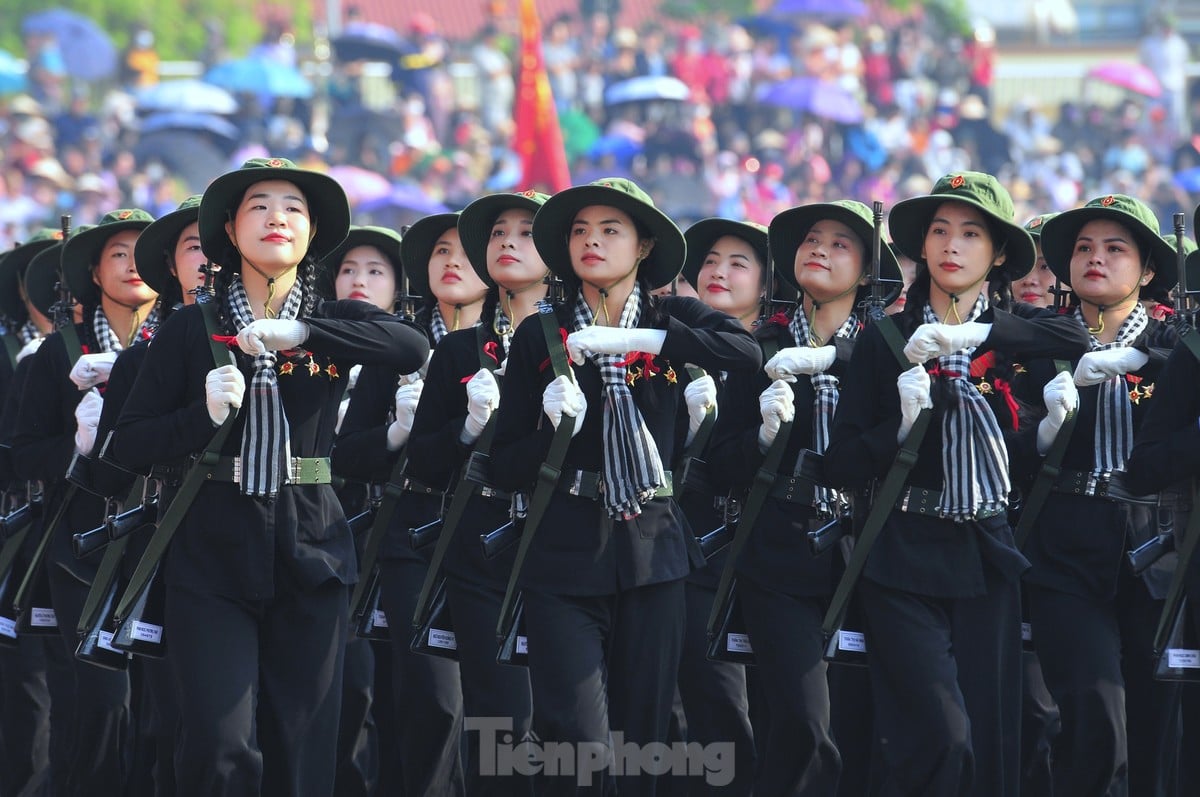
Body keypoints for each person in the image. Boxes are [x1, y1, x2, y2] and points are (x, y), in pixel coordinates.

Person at [109, 157, 430, 796]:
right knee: (218, 743)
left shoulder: (336, 322)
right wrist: (201, 415)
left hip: (311, 545)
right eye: (258, 206)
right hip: (209, 551)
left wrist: (306, 331)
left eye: (293, 207)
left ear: (312, 232)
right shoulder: (188, 326)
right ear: (230, 229)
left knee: (304, 744)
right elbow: (129, 444)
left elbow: (410, 347)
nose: (276, 217)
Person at [487, 177, 760, 794]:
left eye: (611, 230)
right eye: (580, 230)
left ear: (642, 247)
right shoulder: (542, 331)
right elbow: (503, 464)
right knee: (573, 736)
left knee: (644, 737)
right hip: (562, 547)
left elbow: (744, 351)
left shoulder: (673, 317)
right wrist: (549, 430)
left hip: (652, 551)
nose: (592, 241)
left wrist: (644, 341)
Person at [824, 172, 1089, 797]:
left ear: (997, 253)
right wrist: (899, 427)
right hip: (902, 553)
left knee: (991, 734)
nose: (951, 245)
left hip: (985, 552)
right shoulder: (888, 339)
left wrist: (973, 339)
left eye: (971, 233)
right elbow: (839, 465)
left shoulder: (1019, 336)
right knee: (937, 733)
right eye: (939, 231)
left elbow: (1074, 335)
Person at [707, 201, 901, 796]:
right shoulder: (758, 346)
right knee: (801, 720)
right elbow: (719, 464)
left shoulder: (891, 347)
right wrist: (763, 438)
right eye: (811, 239)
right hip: (779, 547)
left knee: (861, 722)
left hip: (868, 548)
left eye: (841, 243)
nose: (819, 249)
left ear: (867, 271)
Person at [1023, 194, 1182, 797]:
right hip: (1065, 542)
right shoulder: (1038, 339)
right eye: (1083, 248)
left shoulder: (1175, 344)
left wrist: (1154, 358)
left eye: (1116, 249)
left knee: (1152, 724)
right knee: (1095, 712)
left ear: (1146, 271)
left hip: (1155, 545)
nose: (1096, 258)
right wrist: (1040, 431)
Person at [404, 189, 555, 795]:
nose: (508, 242)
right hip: (482, 547)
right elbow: (425, 461)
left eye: (526, 231)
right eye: (497, 233)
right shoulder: (461, 349)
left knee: (570, 725)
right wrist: (466, 427)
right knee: (498, 724)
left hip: (569, 548)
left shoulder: (580, 345)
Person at [332, 210, 487, 797]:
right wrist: (396, 434)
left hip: (497, 536)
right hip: (410, 536)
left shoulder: (523, 346)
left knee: (496, 706)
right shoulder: (397, 350)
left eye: (464, 252)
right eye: (440, 252)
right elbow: (346, 455)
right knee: (429, 698)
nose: (451, 262)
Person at [9, 208, 158, 796]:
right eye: (116, 255)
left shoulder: (180, 342)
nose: (130, 265)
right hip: (82, 544)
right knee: (96, 702)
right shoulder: (57, 352)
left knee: (159, 705)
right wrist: (77, 444)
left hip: (167, 540)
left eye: (141, 253)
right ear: (94, 273)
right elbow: (23, 454)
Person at [675, 217, 771, 796]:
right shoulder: (675, 347)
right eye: (710, 260)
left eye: (738, 262)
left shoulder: (785, 351)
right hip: (693, 548)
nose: (719, 272)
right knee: (712, 705)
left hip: (772, 552)